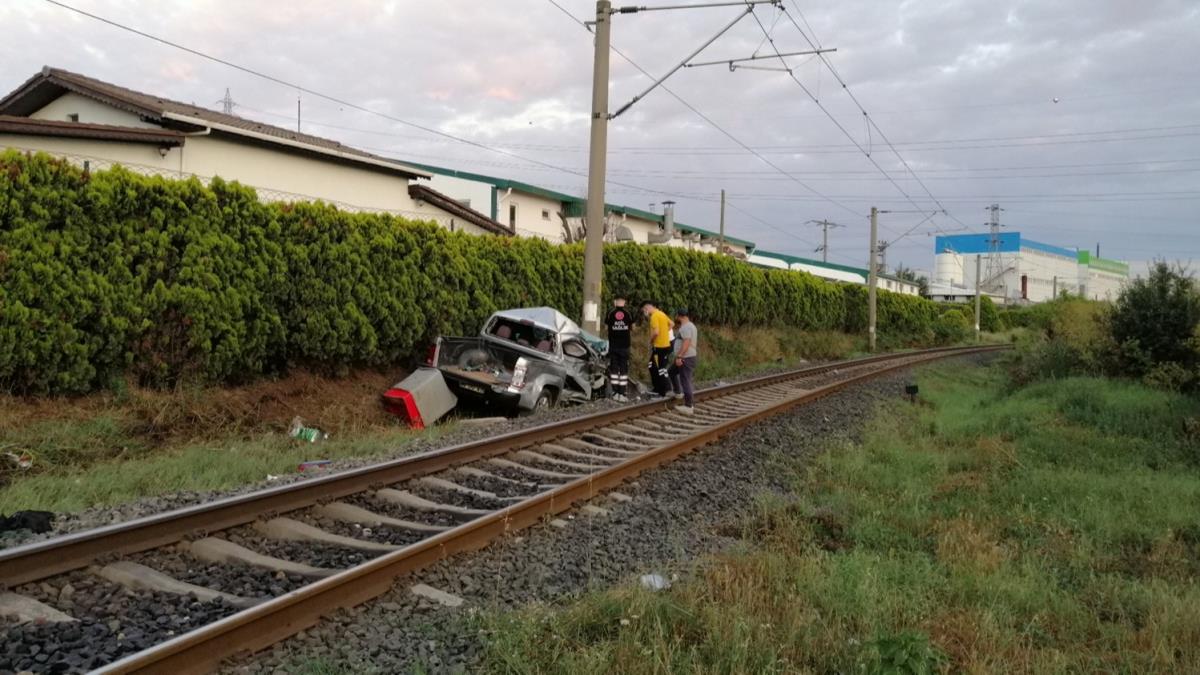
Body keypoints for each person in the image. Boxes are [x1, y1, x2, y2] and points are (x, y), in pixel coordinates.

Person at [603, 296, 633, 402]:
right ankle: (622, 393)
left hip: (614, 346)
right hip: (625, 346)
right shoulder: (628, 313)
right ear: (624, 302)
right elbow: (632, 327)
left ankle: (615, 392)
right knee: (624, 370)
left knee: (614, 369)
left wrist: (613, 330)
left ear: (615, 302)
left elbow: (606, 328)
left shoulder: (610, 313)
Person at [669, 308, 698, 414]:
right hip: (687, 357)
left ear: (680, 316)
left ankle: (689, 406)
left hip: (685, 358)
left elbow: (686, 343)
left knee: (685, 380)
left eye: (677, 316)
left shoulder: (686, 327)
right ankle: (678, 392)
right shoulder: (691, 326)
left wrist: (679, 357)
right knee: (671, 372)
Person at [641, 301, 673, 397]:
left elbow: (656, 332)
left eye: (644, 310)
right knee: (652, 365)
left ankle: (665, 389)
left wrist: (650, 341)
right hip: (665, 345)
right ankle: (658, 388)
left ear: (647, 308)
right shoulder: (662, 314)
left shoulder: (654, 316)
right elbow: (672, 324)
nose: (644, 312)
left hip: (660, 347)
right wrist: (665, 332)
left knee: (660, 368)